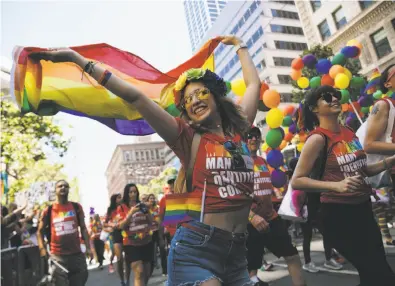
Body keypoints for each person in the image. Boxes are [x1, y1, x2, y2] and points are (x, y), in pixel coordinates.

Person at [31, 34, 261, 285]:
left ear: (216, 96)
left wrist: (241, 46)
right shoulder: (186, 137)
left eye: (201, 93)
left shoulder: (239, 130)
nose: (194, 101)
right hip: (198, 250)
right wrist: (77, 60)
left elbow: (253, 86)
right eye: (188, 100)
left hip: (238, 254)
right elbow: (136, 98)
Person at [291, 85, 395, 286]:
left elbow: (362, 170)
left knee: (376, 272)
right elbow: (297, 180)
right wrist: (337, 186)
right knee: (378, 273)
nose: (334, 99)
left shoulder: (349, 132)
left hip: (363, 210)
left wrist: (388, 161)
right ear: (314, 108)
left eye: (336, 96)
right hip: (338, 216)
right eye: (327, 97)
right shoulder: (317, 139)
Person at [246, 127, 305, 286]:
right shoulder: (238, 163)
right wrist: (251, 217)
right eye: (249, 136)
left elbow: (267, 186)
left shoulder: (262, 162)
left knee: (292, 255)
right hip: (251, 223)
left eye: (257, 136)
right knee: (252, 268)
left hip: (271, 218)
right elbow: (234, 196)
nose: (253, 139)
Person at [363, 64, 395, 245]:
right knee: (380, 208)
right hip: (390, 173)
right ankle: (386, 235)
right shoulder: (384, 105)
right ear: (387, 83)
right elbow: (369, 144)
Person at [37, 180, 90, 286]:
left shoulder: (76, 207)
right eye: (60, 186)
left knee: (80, 280)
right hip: (58, 257)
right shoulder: (49, 210)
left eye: (65, 186)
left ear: (68, 189)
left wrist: (88, 247)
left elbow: (83, 228)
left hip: (76, 255)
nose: (63, 188)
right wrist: (42, 250)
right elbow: (39, 232)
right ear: (55, 190)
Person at [117, 183, 153, 286]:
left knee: (147, 272)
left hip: (146, 242)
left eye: (135, 192)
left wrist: (147, 211)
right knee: (139, 272)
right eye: (130, 192)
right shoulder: (122, 208)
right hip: (131, 243)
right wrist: (131, 213)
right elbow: (121, 226)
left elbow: (151, 221)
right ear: (127, 194)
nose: (133, 194)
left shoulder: (142, 205)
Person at [157, 176, 177, 277]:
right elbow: (160, 217)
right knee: (171, 253)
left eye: (174, 183)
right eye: (171, 184)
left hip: (185, 230)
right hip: (170, 232)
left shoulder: (184, 195)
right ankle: (168, 271)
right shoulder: (164, 199)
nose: (172, 186)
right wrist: (160, 236)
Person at [104, 193, 123, 276]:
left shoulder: (124, 207)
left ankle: (125, 269)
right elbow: (105, 224)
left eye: (121, 197)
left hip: (125, 231)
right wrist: (111, 225)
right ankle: (111, 263)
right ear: (114, 199)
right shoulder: (110, 210)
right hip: (115, 233)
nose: (121, 199)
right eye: (119, 198)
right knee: (115, 252)